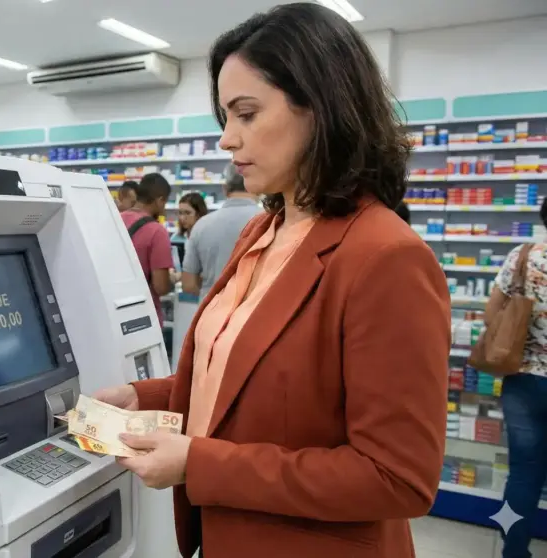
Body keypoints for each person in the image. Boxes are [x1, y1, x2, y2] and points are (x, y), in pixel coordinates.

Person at [93, 4, 449, 557]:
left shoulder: (386, 257)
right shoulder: (262, 232)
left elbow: (396, 476)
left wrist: (197, 462)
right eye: (225, 117)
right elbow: (240, 387)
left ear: (320, 107)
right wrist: (142, 397)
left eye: (247, 113)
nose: (227, 141)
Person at [491, 203, 547, 558]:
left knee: (522, 476)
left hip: (523, 379)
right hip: (526, 380)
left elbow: (491, 312)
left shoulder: (523, 256)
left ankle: (513, 550)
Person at [181, 164, 261, 297]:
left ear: (224, 189)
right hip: (253, 311)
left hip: (211, 310)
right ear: (256, 187)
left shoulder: (201, 225)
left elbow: (188, 285)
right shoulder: (271, 221)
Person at [119, 173, 174, 325]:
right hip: (144, 316)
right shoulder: (157, 231)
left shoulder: (115, 219)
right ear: (160, 200)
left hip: (116, 309)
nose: (163, 209)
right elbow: (161, 287)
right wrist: (172, 280)